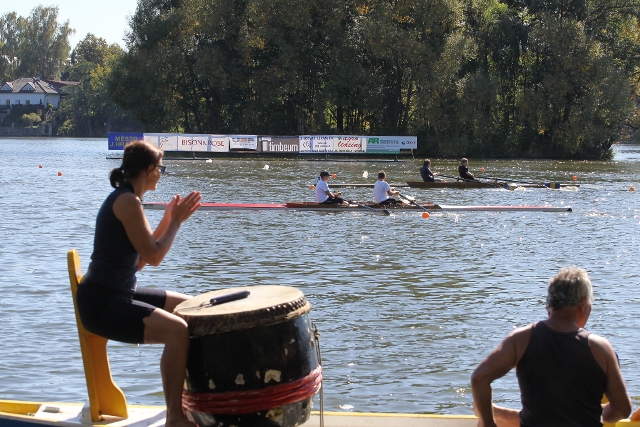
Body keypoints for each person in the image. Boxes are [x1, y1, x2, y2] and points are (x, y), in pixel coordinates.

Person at [76, 140, 202, 427]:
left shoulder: (130, 200)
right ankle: (174, 417)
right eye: (161, 168)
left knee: (193, 307)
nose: (161, 173)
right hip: (101, 304)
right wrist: (176, 222)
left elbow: (141, 260)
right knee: (178, 331)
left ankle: (191, 403)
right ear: (148, 170)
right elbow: (155, 257)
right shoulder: (127, 202)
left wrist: (168, 220)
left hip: (117, 294)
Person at [471, 266, 631, 427]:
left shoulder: (520, 339)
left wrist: (488, 423)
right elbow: (622, 409)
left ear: (550, 304)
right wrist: (598, 413)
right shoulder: (601, 348)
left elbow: (479, 378)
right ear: (583, 303)